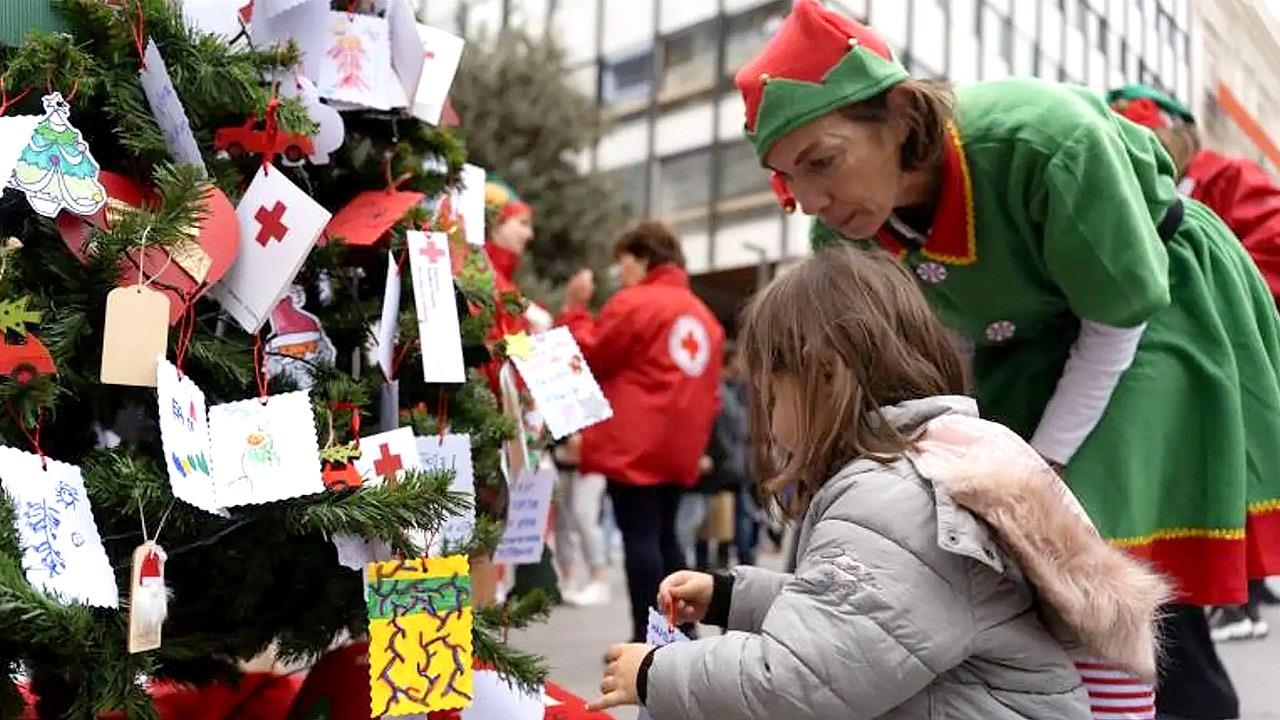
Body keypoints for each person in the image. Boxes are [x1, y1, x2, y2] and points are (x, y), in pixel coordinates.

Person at [719, 3, 1280, 717]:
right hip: (1020, 342)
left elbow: (1114, 320)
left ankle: (1186, 703)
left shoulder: (1041, 138)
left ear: (896, 114)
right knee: (1009, 555)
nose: (811, 201)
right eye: (788, 177)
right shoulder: (844, 240)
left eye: (823, 162)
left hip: (1147, 310)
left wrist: (1030, 475)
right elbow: (914, 360)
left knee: (1092, 536)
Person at [590, 247, 1170, 720]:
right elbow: (861, 617)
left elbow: (801, 683)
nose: (766, 403)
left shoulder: (895, 498)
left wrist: (653, 673)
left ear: (823, 374)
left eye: (773, 385)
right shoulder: (919, 467)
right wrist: (731, 597)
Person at [1109, 85, 1280, 642]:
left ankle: (1234, 602)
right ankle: (1230, 599)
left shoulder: (1225, 178)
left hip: (1228, 345)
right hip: (1172, 345)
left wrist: (1209, 289)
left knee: (1225, 469)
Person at [558, 221, 725, 642]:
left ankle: (648, 636)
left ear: (644, 258)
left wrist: (576, 310)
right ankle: (681, 630)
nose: (621, 273)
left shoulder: (636, 303)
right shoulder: (705, 317)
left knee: (641, 539)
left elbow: (592, 353)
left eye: (624, 263)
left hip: (635, 443)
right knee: (668, 538)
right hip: (679, 446)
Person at [1108, 85, 1280, 305]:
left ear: (1181, 137)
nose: (1142, 158)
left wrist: (1195, 294)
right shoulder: (1124, 204)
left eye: (1150, 142)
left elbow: (1275, 247)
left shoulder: (1227, 178)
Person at [552, 433, 611, 607]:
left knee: (584, 516)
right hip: (561, 461)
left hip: (591, 460)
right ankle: (568, 580)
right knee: (562, 524)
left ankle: (598, 580)